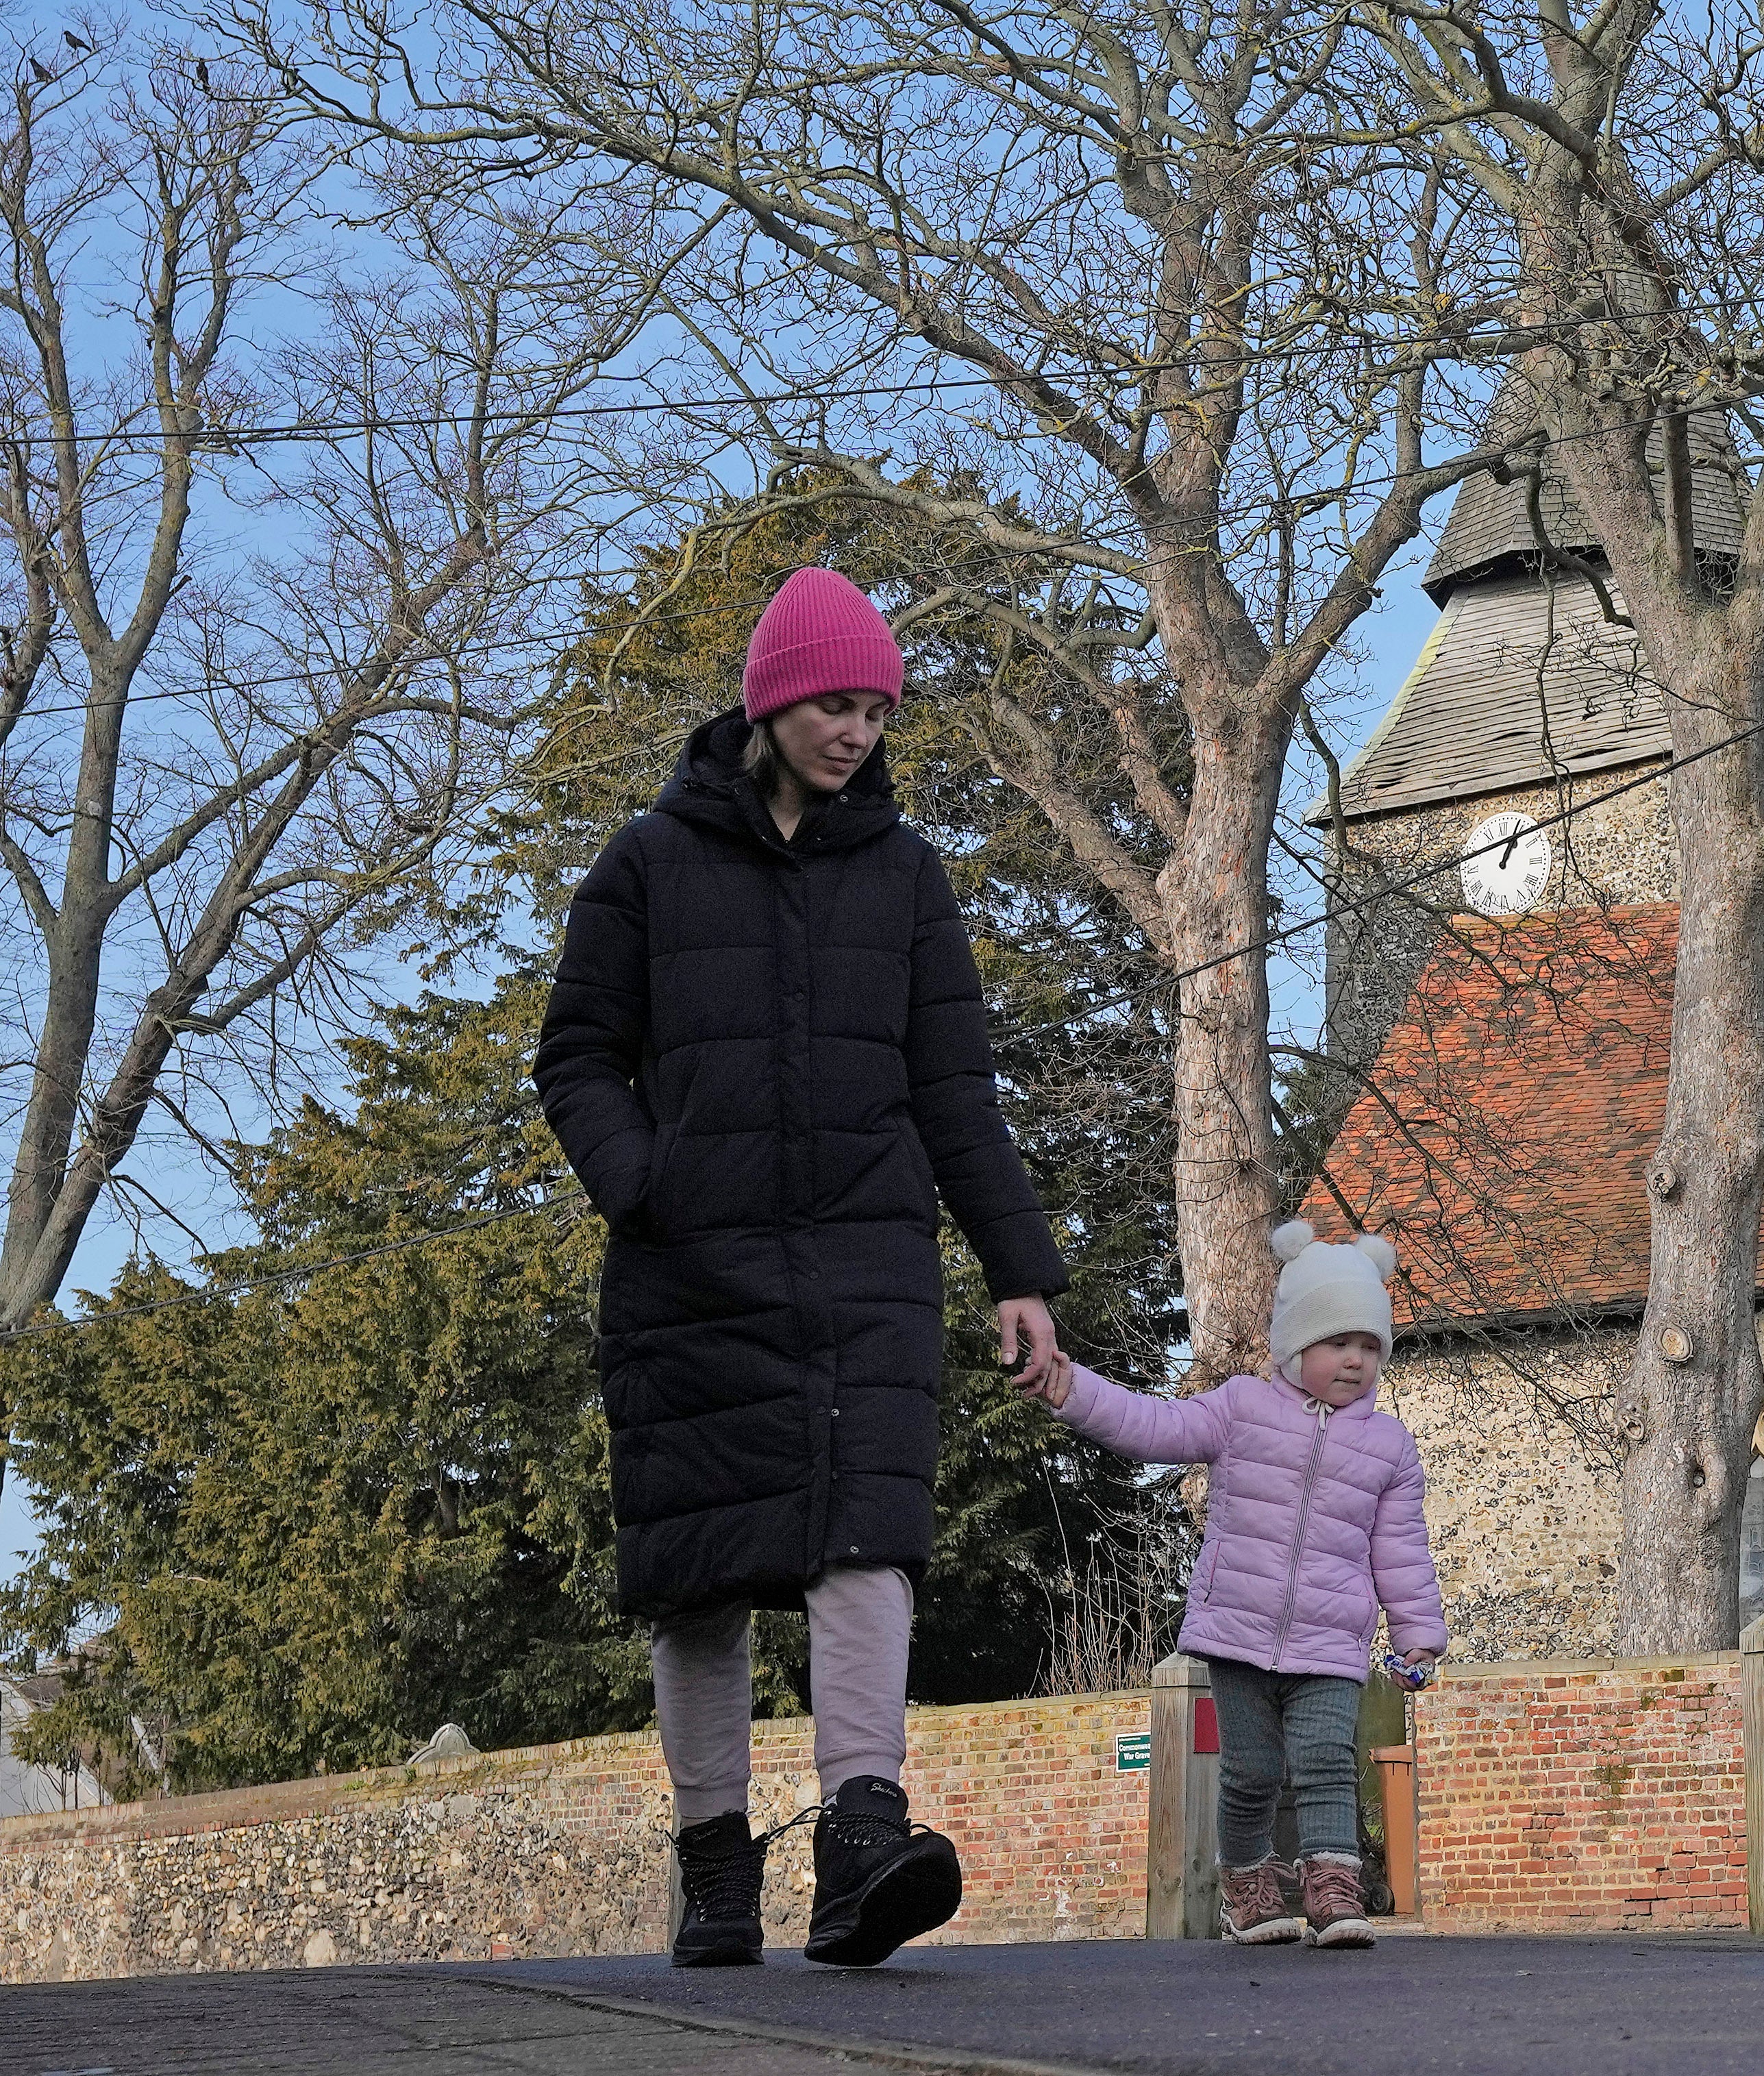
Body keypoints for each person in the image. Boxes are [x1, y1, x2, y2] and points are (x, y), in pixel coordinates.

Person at [534, 566, 1067, 1969]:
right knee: (698, 1576)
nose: (858, 732)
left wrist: (1021, 1274)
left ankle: (861, 1842)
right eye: (837, 703)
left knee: (867, 1541)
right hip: (687, 1268)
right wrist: (644, 1184)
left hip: (865, 1266)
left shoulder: (905, 876)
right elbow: (576, 1055)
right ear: (771, 702)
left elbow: (957, 1088)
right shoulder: (645, 864)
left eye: (879, 711)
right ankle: (716, 1870)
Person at [1032, 1219, 1448, 1948]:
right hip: (1237, 1631)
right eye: (1336, 1342)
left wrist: (1417, 1636)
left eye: (1368, 1346)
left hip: (1330, 1640)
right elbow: (1151, 1427)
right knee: (1252, 1772)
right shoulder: (1241, 1409)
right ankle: (1249, 1892)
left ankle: (1334, 1892)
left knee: (1325, 1761)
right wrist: (1075, 1392)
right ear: (1295, 1342)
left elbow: (1401, 1549)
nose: (1354, 1360)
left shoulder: (1388, 1446)